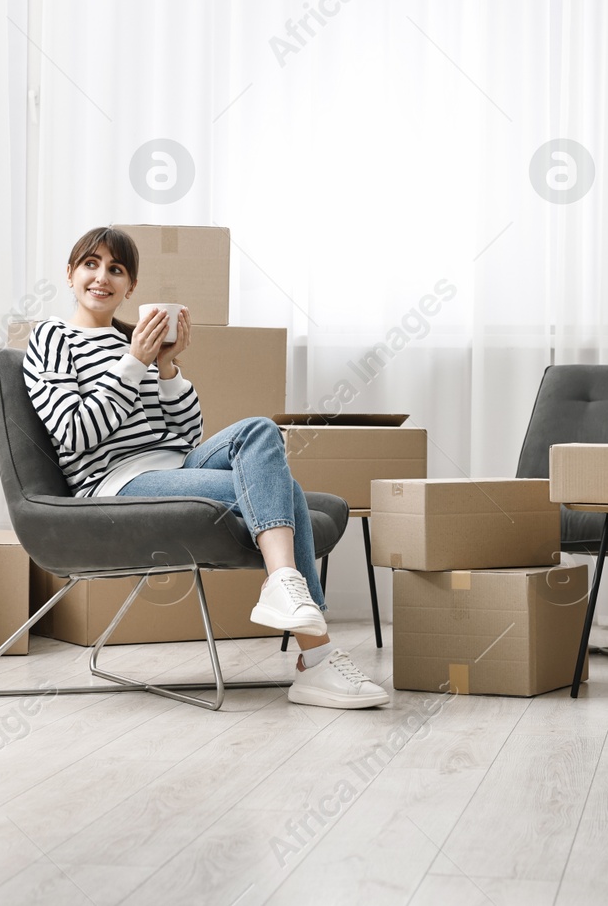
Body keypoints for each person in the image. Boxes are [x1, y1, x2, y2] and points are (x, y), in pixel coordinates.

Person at [22, 225, 389, 710]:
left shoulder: (141, 341)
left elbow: (185, 435)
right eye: (91, 265)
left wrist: (168, 368)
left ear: (130, 287)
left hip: (174, 466)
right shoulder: (52, 338)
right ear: (70, 274)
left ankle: (283, 587)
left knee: (259, 431)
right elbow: (74, 435)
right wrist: (133, 365)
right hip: (117, 482)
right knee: (286, 493)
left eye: (116, 269)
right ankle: (315, 659)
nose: (102, 277)